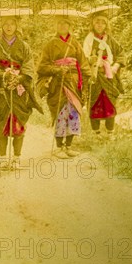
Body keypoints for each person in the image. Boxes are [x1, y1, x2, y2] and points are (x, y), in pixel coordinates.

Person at [0, 9, 42, 170]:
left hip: (20, 88)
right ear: (1, 26)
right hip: (0, 88)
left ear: (17, 26)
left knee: (18, 120)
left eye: (12, 24)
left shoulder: (24, 46)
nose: (9, 27)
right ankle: (3, 157)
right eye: (5, 24)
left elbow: (29, 64)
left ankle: (17, 157)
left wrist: (20, 78)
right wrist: (3, 75)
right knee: (0, 121)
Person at [36, 10, 91, 159]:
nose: (62, 26)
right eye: (59, 23)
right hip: (58, 83)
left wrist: (87, 79)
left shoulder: (75, 44)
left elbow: (83, 63)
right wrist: (57, 69)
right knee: (61, 113)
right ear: (56, 26)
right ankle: (59, 147)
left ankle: (69, 146)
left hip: (73, 81)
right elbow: (41, 67)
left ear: (69, 26)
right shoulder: (50, 45)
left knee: (73, 113)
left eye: (65, 24)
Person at [82, 6, 126, 140]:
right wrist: (91, 60)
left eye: (102, 22)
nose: (100, 25)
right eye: (97, 22)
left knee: (109, 103)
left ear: (106, 24)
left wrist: (116, 66)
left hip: (108, 76)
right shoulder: (89, 40)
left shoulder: (110, 40)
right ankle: (97, 133)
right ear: (92, 24)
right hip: (94, 77)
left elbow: (121, 54)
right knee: (94, 103)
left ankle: (110, 132)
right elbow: (82, 58)